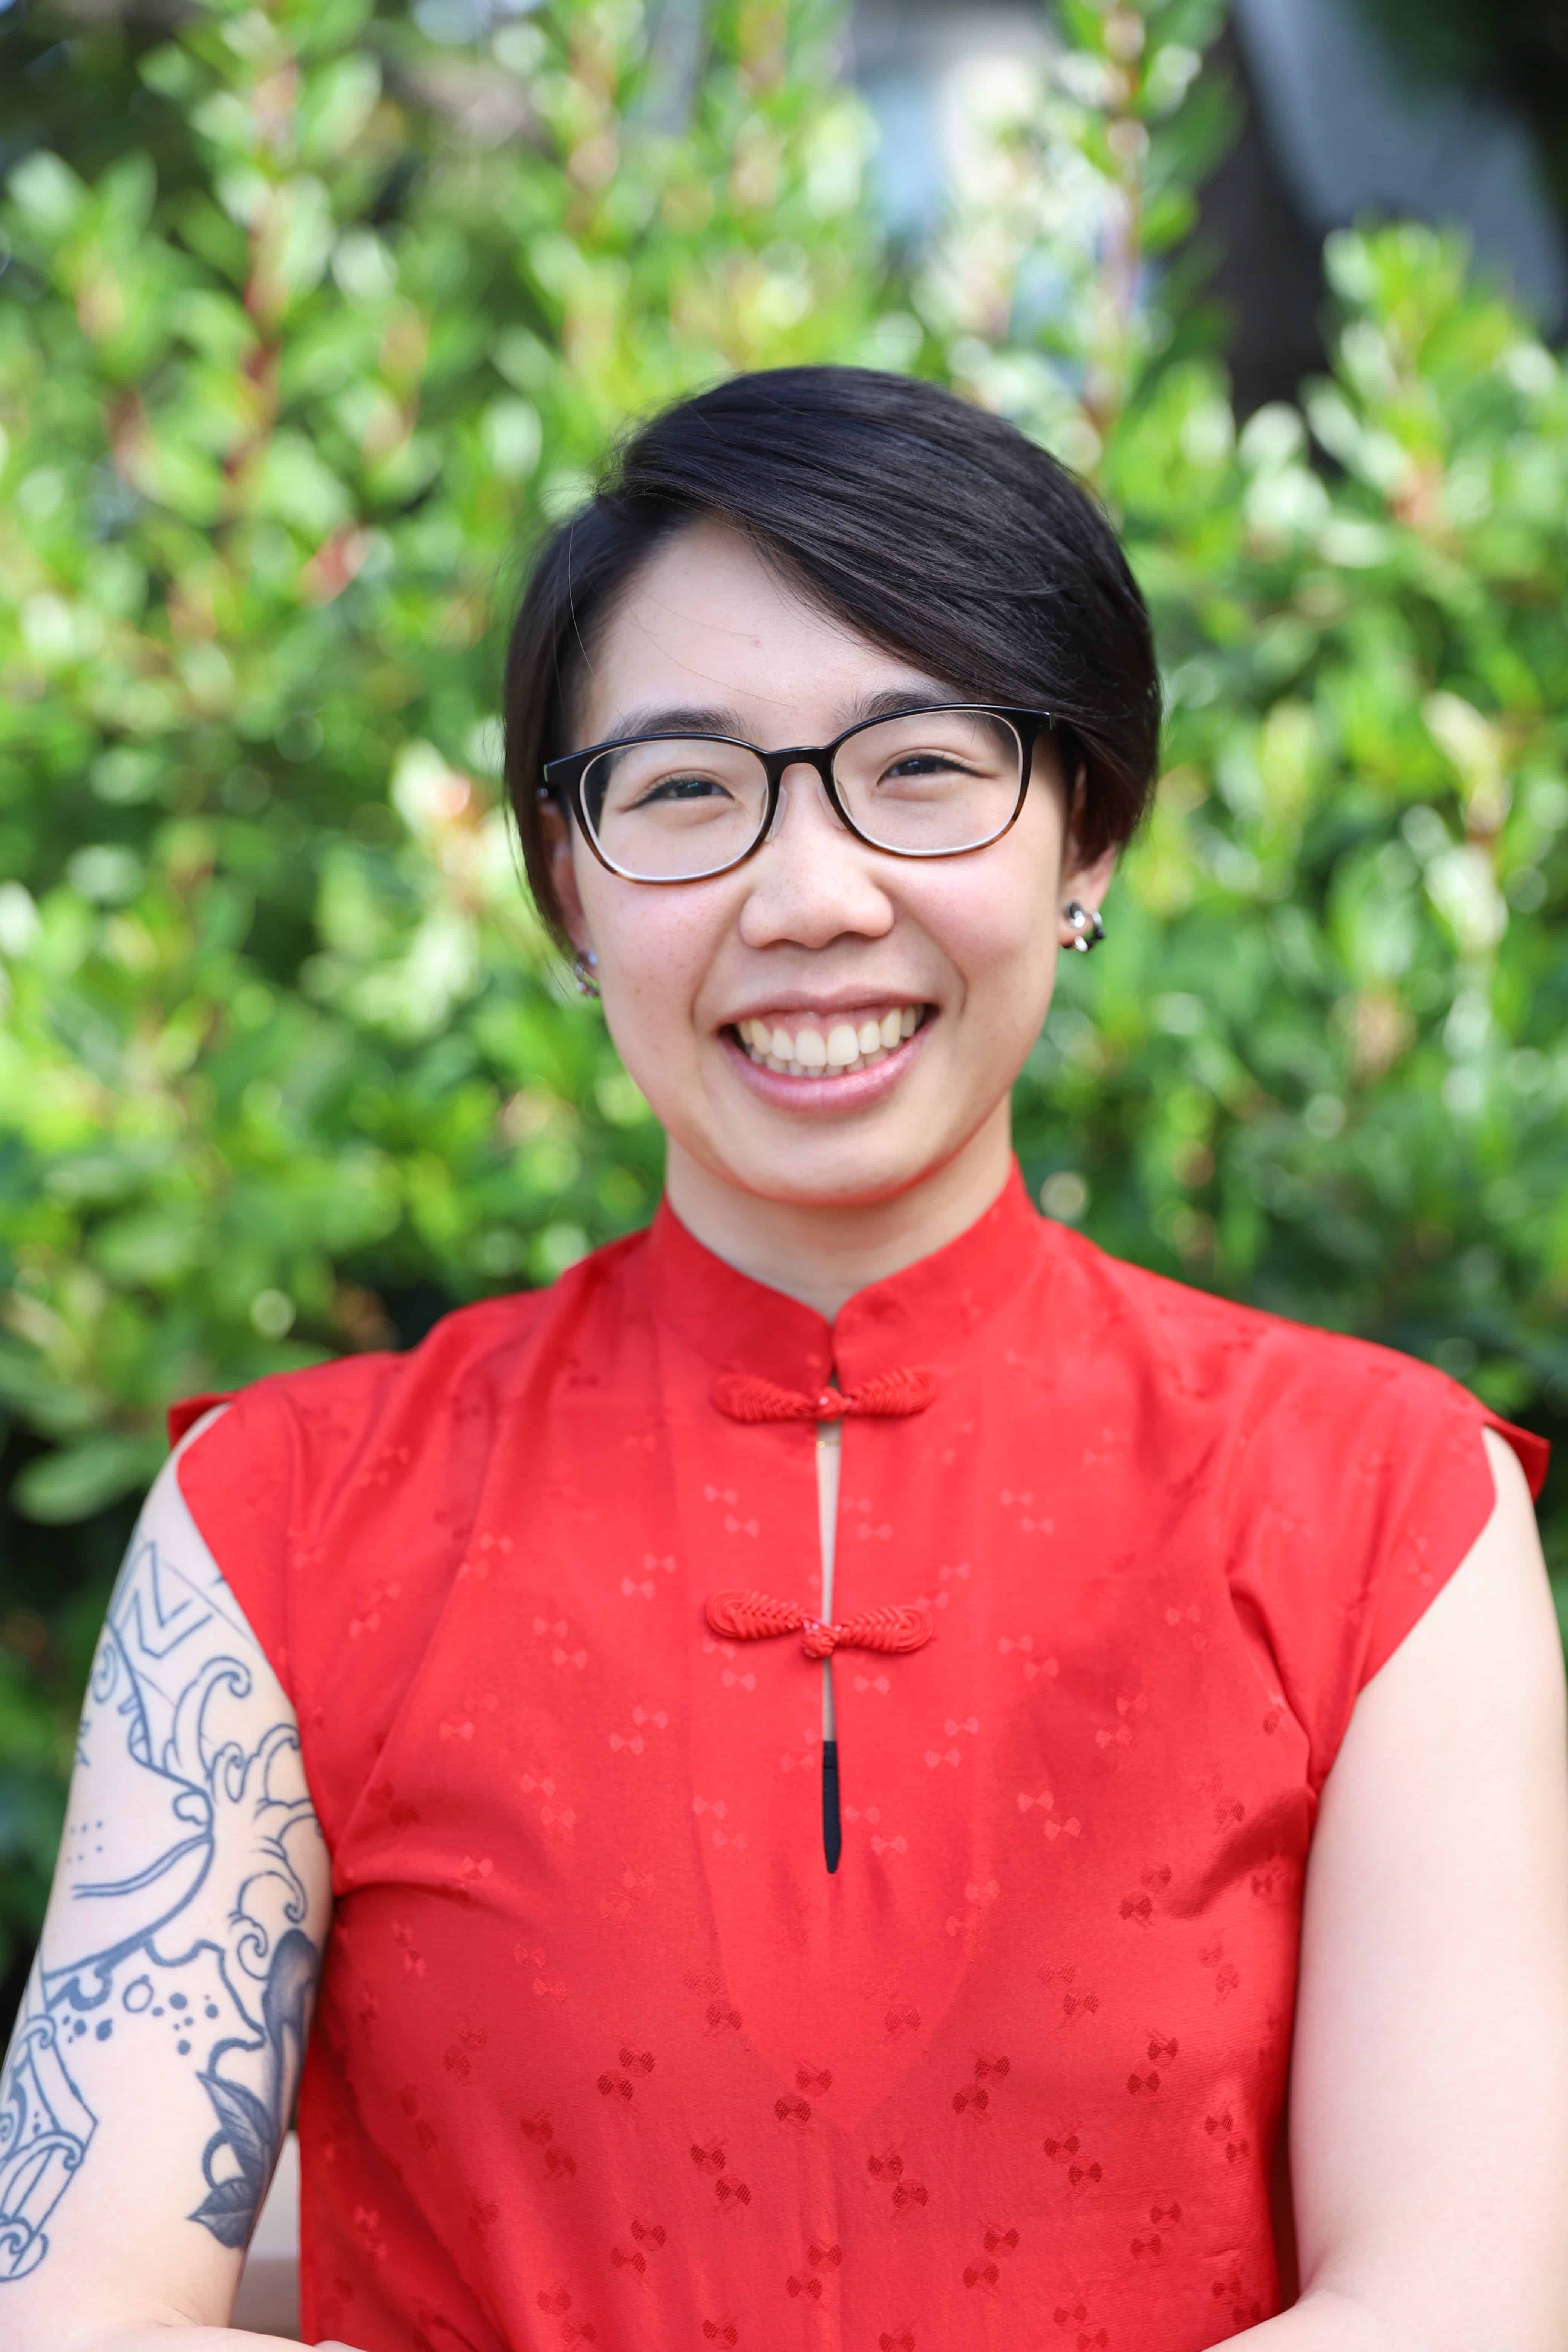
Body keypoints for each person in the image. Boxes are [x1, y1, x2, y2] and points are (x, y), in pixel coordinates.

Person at [3, 367, 1565, 2352]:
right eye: (683, 790)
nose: (813, 898)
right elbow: (76, 2315)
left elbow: (1461, 2304)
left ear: (1082, 834)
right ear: (570, 889)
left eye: (922, 768)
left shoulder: (1384, 1514)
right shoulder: (280, 1524)